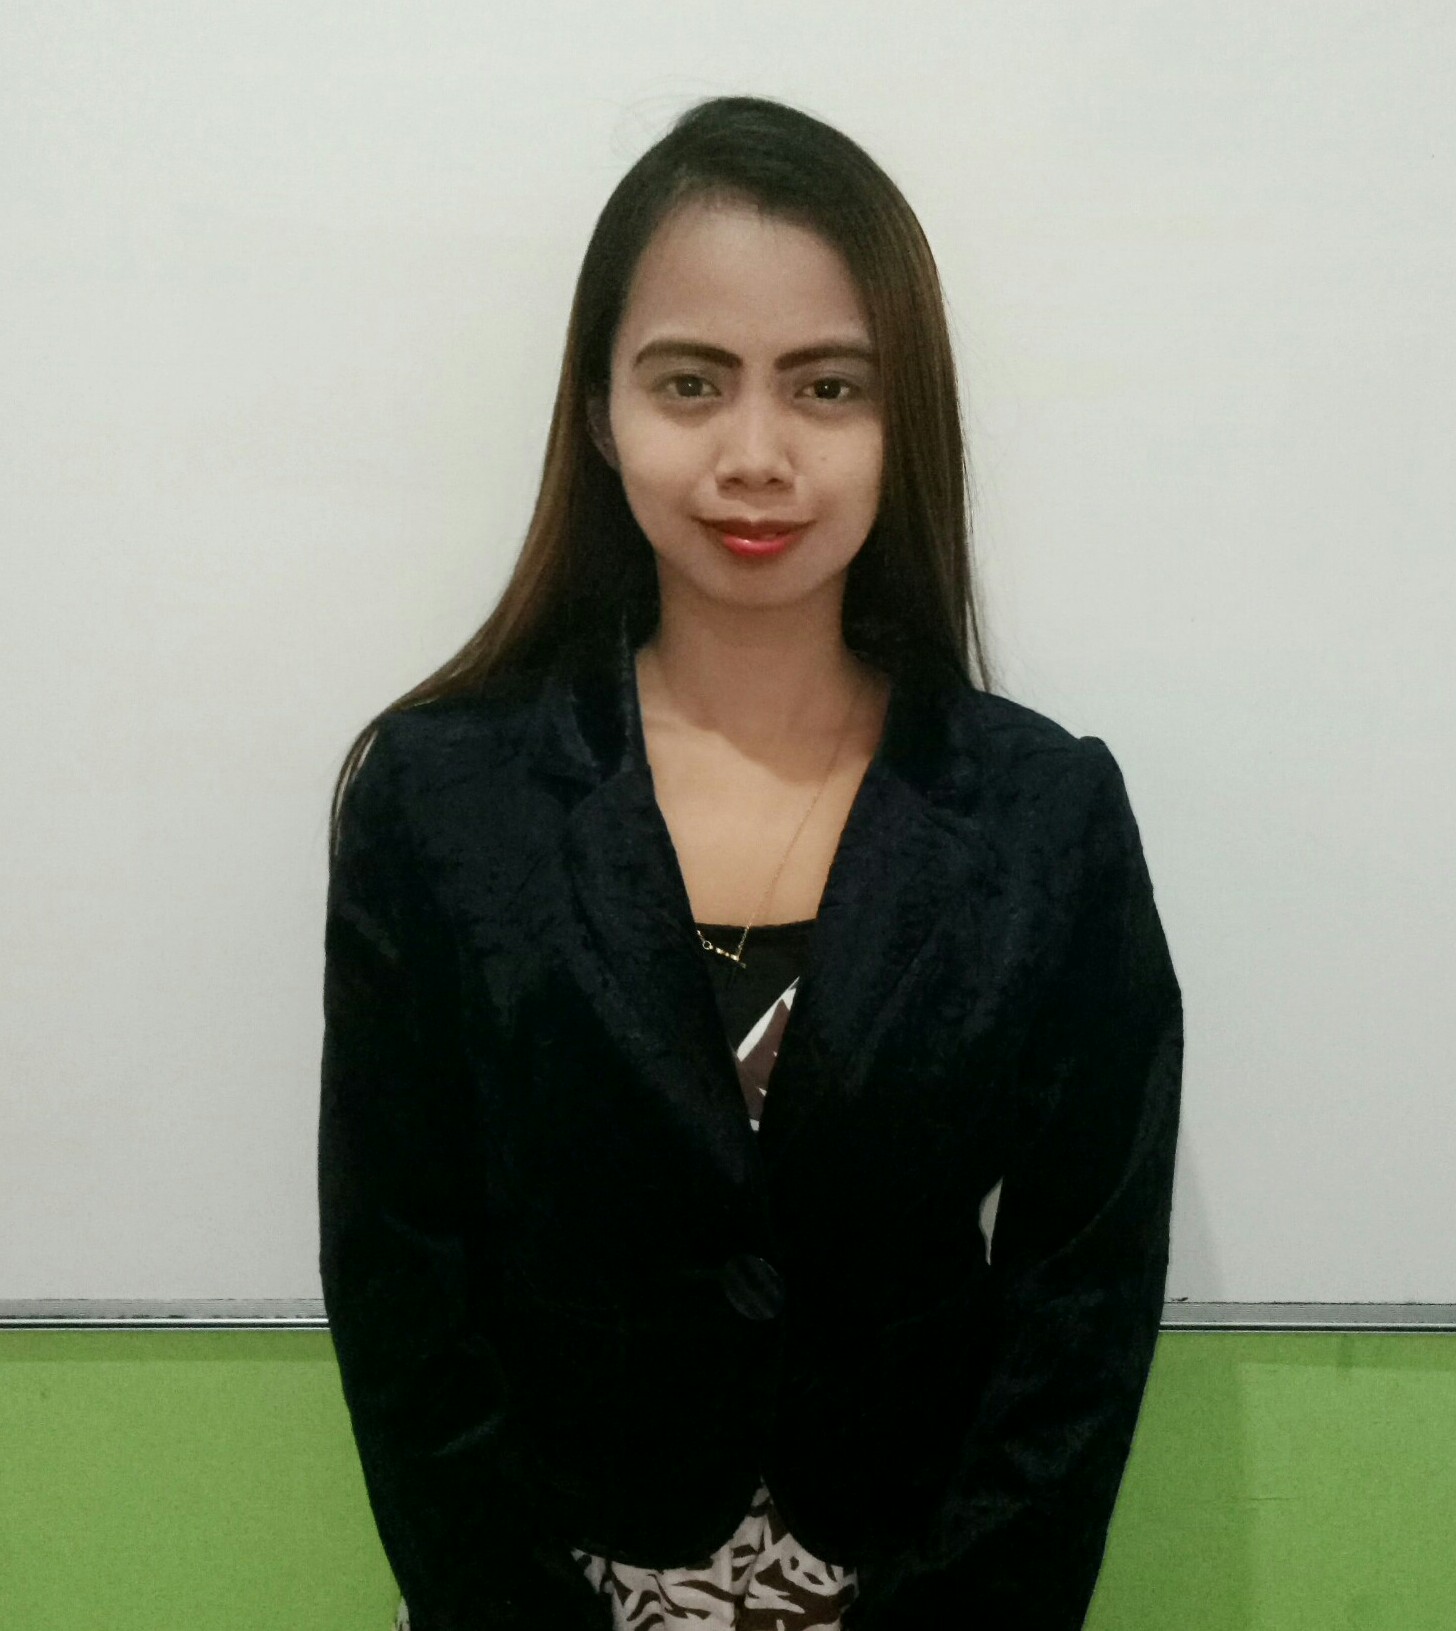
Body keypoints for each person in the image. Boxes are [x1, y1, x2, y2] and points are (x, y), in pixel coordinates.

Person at [319, 94, 1183, 1631]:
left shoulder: (1044, 816)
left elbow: (1085, 1300)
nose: (756, 455)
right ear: (601, 412)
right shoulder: (442, 805)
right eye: (690, 382)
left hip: (920, 1579)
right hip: (547, 1585)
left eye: (828, 386)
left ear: (905, 419)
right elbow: (400, 1284)